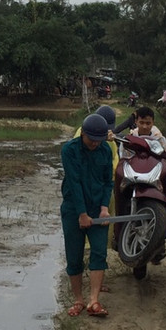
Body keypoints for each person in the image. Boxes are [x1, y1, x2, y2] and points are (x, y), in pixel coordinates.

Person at [61, 113, 114, 317]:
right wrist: (82, 214)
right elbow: (74, 183)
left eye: (98, 141)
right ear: (82, 133)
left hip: (97, 208)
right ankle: (78, 300)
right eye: (91, 139)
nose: (94, 144)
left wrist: (103, 207)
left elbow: (107, 181)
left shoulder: (105, 151)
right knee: (74, 255)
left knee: (99, 252)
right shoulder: (69, 150)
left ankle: (94, 300)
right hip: (73, 209)